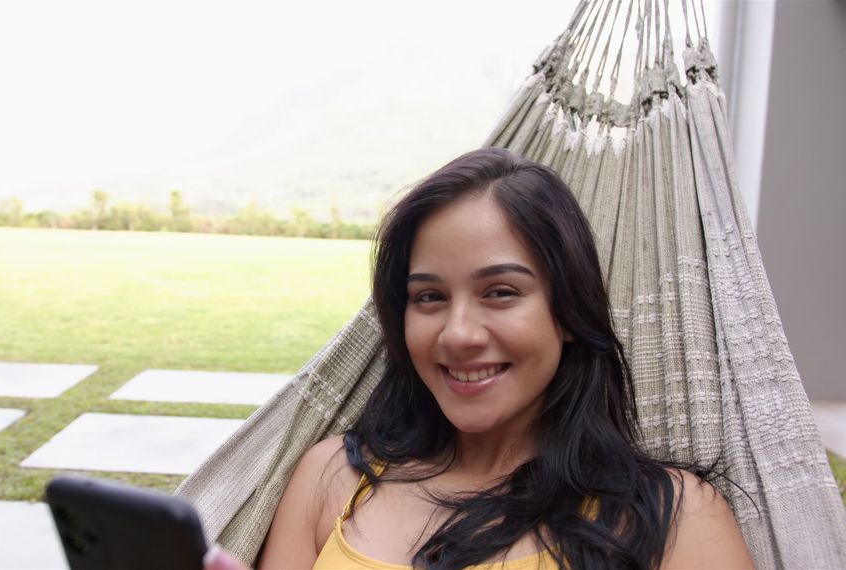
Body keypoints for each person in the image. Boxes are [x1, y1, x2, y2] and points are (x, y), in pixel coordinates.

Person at [209, 148, 754, 569]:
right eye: (429, 297)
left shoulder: (675, 515)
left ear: (567, 310)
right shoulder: (331, 479)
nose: (459, 334)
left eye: (500, 292)